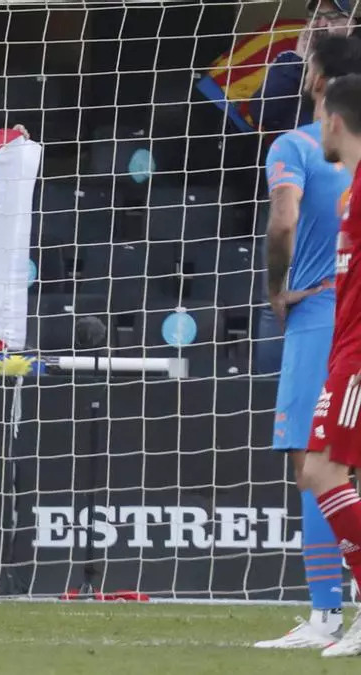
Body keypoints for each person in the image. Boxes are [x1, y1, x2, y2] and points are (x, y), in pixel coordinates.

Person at [254, 34, 361, 650]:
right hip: (343, 310)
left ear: (319, 82)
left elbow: (284, 216)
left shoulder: (296, 144)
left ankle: (327, 613)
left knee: (313, 463)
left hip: (324, 313)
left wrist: (276, 287)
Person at [299, 71, 361, 657]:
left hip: (359, 355)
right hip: (347, 348)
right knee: (320, 472)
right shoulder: (354, 183)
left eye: (320, 116)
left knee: (321, 472)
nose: (318, 125)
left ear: (336, 121)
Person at [251, 0, 354, 133]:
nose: (321, 24)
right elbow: (260, 114)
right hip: (295, 150)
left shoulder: (355, 64)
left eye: (333, 17)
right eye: (316, 16)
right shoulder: (288, 60)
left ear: (350, 25)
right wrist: (300, 61)